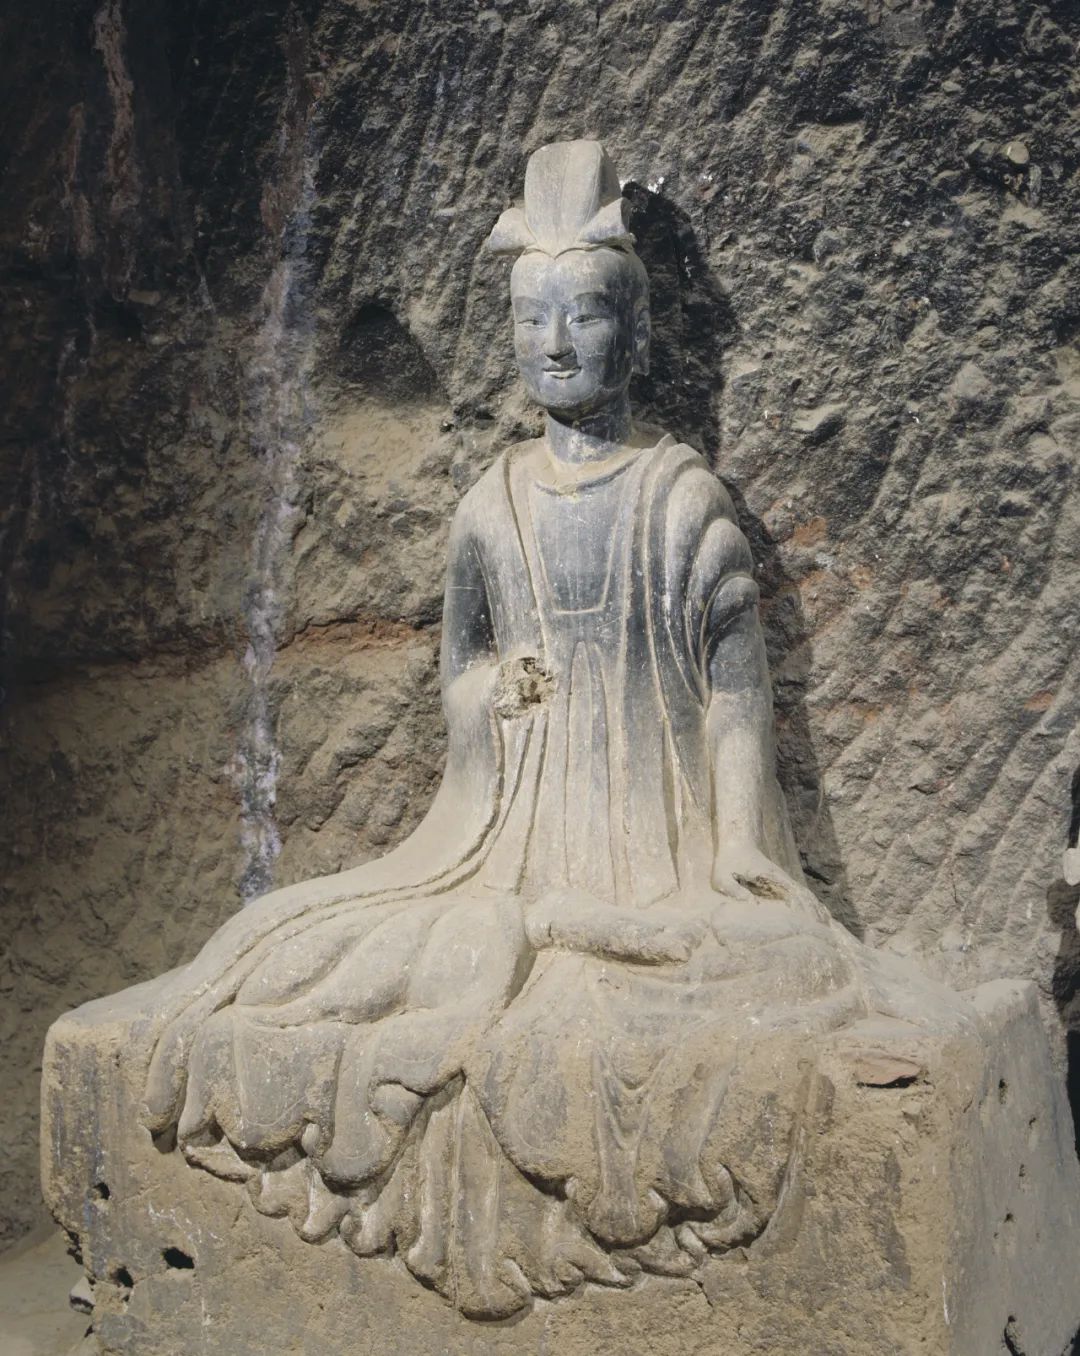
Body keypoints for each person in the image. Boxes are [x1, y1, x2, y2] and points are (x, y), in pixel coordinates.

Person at [140, 141, 969, 1318]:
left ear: (636, 335)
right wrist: (495, 698)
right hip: (514, 830)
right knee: (319, 947)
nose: (557, 345)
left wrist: (738, 846)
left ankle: (595, 940)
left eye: (584, 316)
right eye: (533, 320)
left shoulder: (683, 501)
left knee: (773, 973)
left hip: (656, 839)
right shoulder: (491, 506)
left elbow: (736, 694)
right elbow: (461, 673)